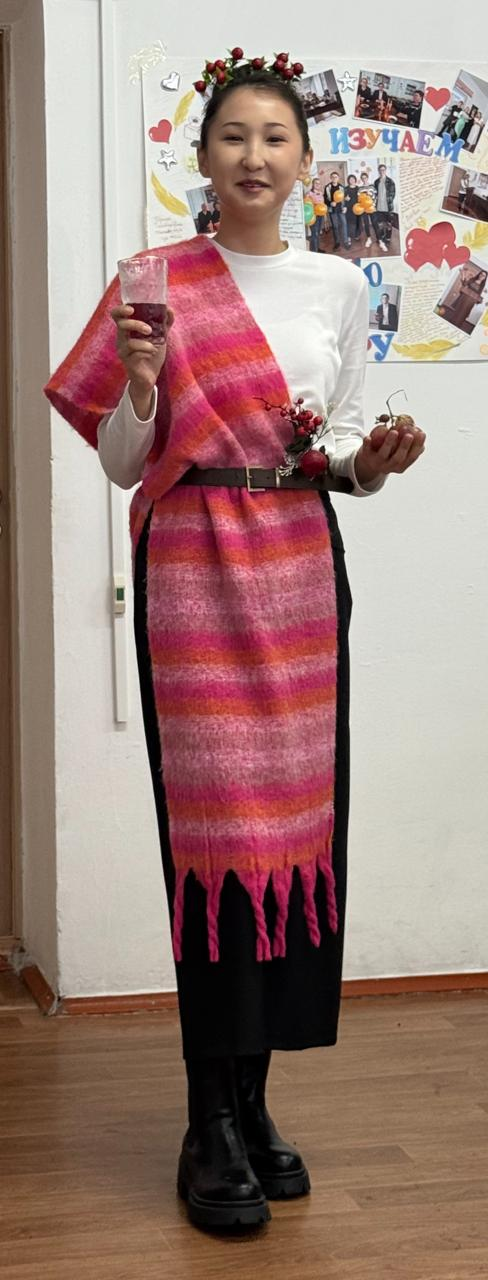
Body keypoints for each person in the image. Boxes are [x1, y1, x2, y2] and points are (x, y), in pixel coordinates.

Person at [44, 52, 426, 1235]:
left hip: (299, 570)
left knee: (294, 836)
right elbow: (121, 461)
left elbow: (335, 446)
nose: (253, 157)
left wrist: (371, 462)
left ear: (304, 159)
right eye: (232, 137)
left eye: (274, 138)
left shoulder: (337, 286)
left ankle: (254, 1104)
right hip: (192, 571)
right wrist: (140, 383)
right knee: (216, 842)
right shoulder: (152, 281)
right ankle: (205, 1116)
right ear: (200, 156)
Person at [324, 170, 351, 250]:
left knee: (344, 225)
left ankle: (345, 242)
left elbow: (346, 198)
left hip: (341, 209)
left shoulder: (342, 187)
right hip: (332, 210)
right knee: (335, 226)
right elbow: (325, 199)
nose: (334, 178)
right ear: (330, 178)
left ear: (338, 178)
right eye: (333, 177)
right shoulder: (327, 187)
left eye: (336, 177)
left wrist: (345, 206)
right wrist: (330, 203)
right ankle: (337, 243)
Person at [374, 163, 396, 252]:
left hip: (388, 207)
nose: (382, 171)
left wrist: (387, 201)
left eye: (383, 170)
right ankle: (382, 237)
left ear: (385, 170)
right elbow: (375, 193)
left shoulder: (390, 181)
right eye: (380, 170)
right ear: (378, 171)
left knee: (388, 224)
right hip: (379, 207)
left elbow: (393, 194)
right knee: (381, 224)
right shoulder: (376, 182)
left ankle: (388, 238)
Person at [307, 177, 325, 252]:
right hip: (313, 216)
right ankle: (314, 251)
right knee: (314, 233)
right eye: (316, 183)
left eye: (319, 183)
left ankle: (317, 248)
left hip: (320, 215)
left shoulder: (321, 193)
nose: (318, 185)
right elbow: (307, 204)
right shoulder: (309, 194)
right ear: (313, 184)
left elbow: (322, 203)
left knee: (318, 233)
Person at [344, 174, 361, 241]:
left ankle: (357, 235)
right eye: (350, 179)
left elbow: (361, 198)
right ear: (348, 180)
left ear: (355, 180)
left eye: (353, 179)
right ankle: (348, 236)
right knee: (349, 222)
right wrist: (345, 198)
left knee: (357, 222)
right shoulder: (346, 188)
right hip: (349, 208)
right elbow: (343, 198)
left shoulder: (358, 188)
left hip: (358, 208)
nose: (352, 180)